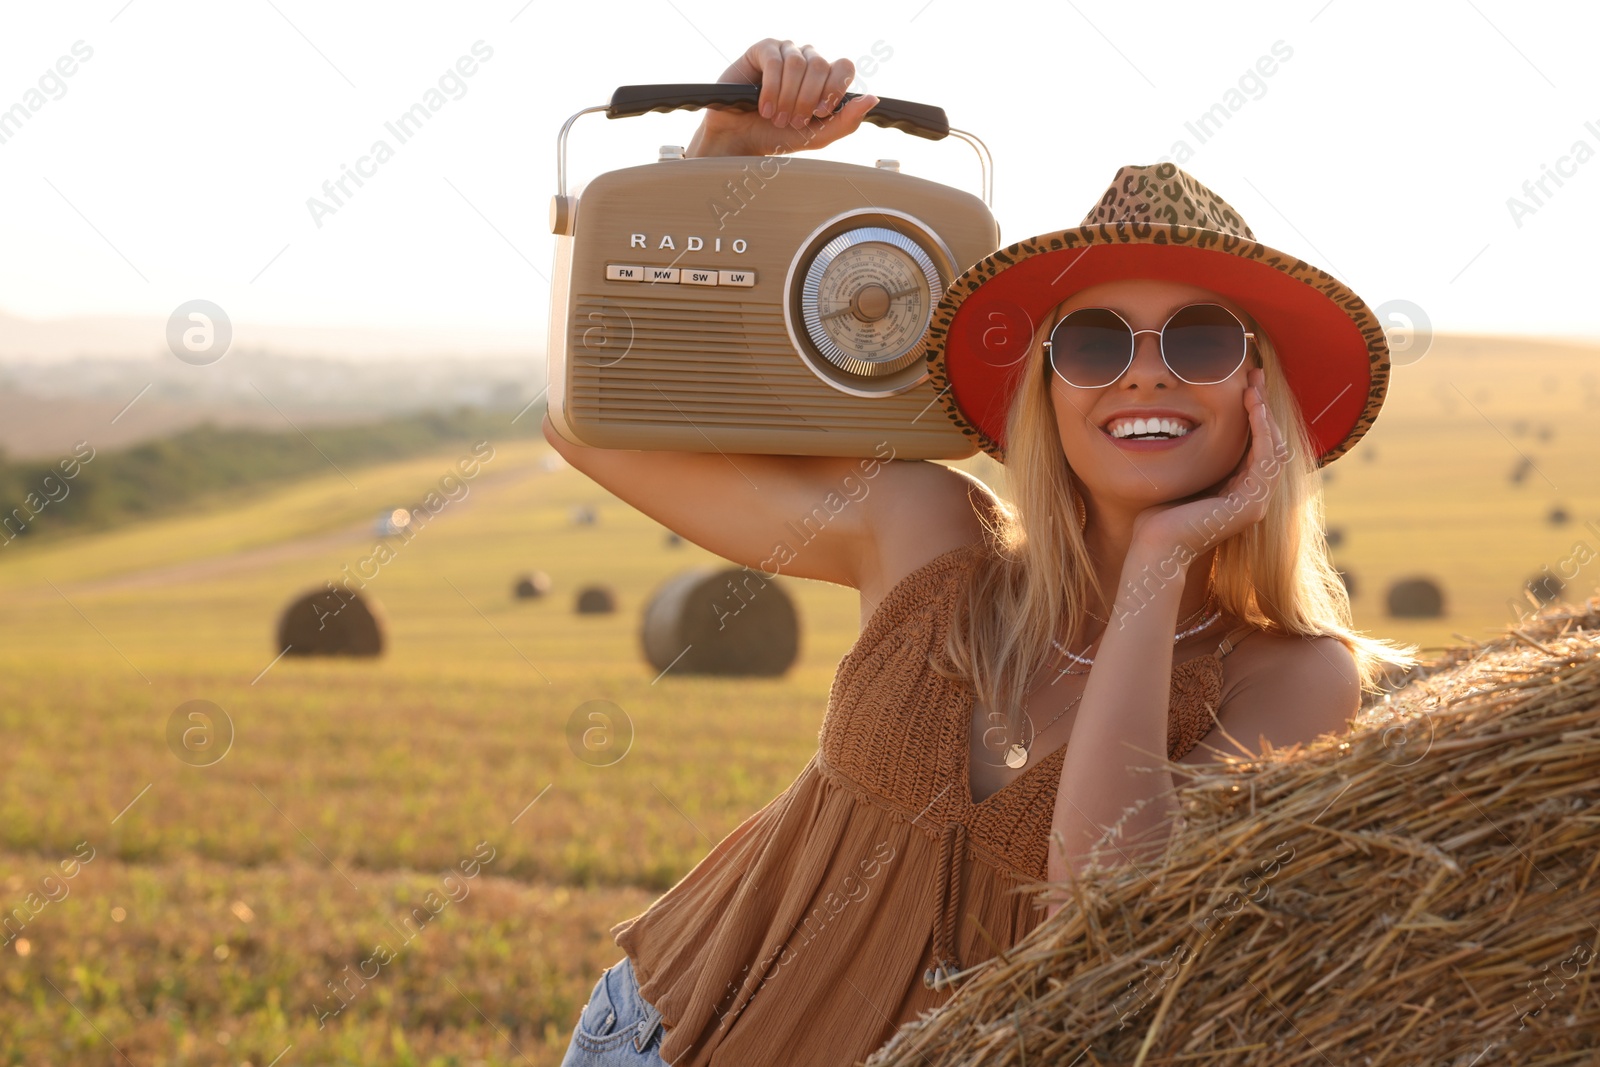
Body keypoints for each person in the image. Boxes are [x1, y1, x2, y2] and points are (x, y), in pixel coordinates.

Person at [546, 37, 1420, 1067]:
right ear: (1045, 392)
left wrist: (1157, 568)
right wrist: (721, 169)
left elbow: (1106, 915)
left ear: (1256, 393)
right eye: (1093, 342)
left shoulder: (1292, 676)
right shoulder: (931, 536)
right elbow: (596, 421)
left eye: (1200, 341)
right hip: (658, 1032)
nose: (1143, 375)